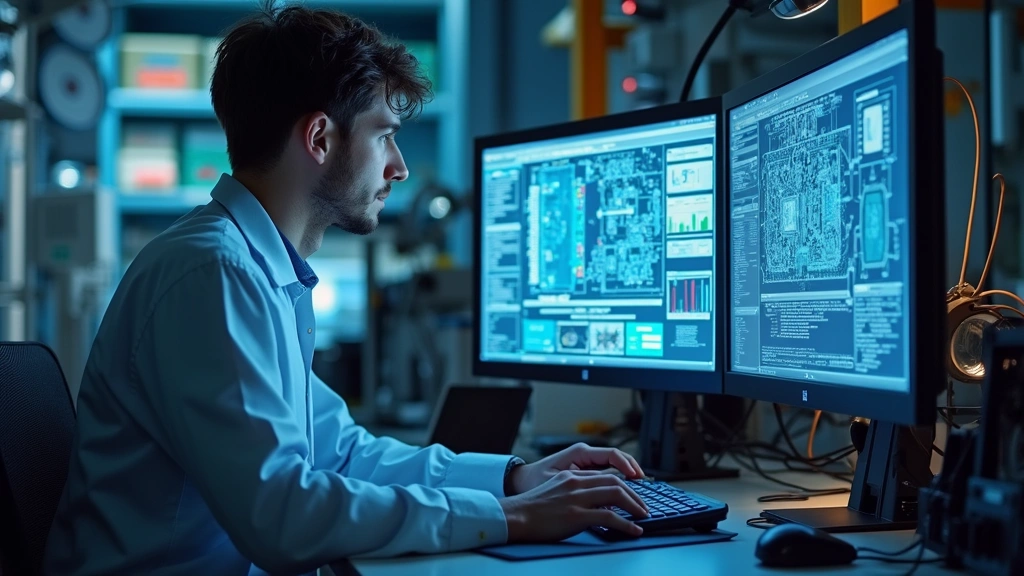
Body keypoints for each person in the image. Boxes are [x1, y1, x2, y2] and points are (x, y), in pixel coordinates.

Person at [43, 2, 652, 575]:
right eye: (384, 134)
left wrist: (514, 480)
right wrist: (509, 520)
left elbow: (341, 454)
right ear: (319, 138)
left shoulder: (256, 268)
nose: (399, 166)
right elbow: (281, 516)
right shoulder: (214, 274)